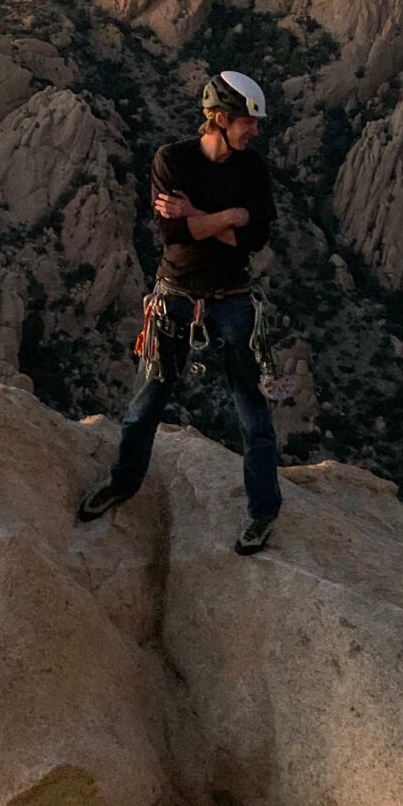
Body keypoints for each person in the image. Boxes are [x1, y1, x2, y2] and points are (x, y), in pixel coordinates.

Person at [77, 70, 282, 555]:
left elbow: (255, 238)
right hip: (176, 296)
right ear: (221, 118)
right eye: (248, 123)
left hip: (233, 297)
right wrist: (230, 217)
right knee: (146, 400)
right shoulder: (172, 161)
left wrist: (198, 216)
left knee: (252, 411)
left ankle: (263, 512)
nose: (254, 133)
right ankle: (123, 484)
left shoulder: (252, 170)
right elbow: (172, 237)